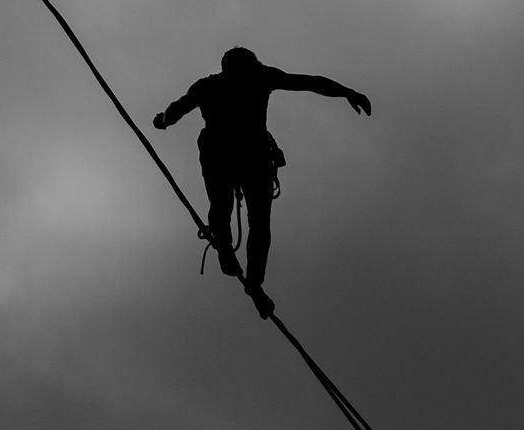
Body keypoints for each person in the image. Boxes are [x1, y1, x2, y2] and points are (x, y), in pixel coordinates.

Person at [153, 47, 371, 318]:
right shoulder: (256, 78)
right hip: (242, 155)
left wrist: (163, 121)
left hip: (232, 154)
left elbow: (178, 108)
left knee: (231, 209)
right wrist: (348, 92)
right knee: (249, 218)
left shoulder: (216, 84)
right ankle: (245, 272)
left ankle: (238, 263)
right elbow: (311, 82)